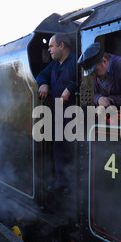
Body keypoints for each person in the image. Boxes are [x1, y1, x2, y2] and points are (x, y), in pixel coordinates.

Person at [35, 33, 77, 194]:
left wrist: (71, 88)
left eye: (52, 46)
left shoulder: (75, 61)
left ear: (62, 46)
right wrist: (44, 84)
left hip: (74, 116)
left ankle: (73, 185)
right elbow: (41, 75)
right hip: (59, 116)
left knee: (72, 151)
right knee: (59, 150)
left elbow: (84, 80)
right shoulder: (54, 65)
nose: (49, 49)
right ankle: (63, 182)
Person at [77, 42, 121, 108]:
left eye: (94, 72)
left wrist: (107, 100)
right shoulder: (98, 74)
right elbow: (95, 93)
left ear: (104, 61)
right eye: (91, 74)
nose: (93, 77)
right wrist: (99, 99)